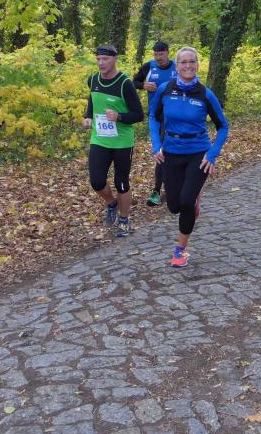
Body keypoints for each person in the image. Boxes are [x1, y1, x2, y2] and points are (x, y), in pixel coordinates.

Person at [149, 47, 229, 267]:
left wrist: (212, 154)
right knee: (173, 206)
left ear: (197, 65)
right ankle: (192, 200)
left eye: (191, 61)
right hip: (171, 151)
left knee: (185, 202)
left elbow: (223, 126)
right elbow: (153, 117)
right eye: (183, 62)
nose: (187, 66)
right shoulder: (165, 89)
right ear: (177, 66)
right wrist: (156, 145)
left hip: (198, 153)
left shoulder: (205, 94)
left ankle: (180, 251)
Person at [82, 44, 144, 237]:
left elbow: (139, 115)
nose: (101, 63)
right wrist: (88, 116)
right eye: (98, 59)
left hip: (122, 142)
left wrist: (119, 116)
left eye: (105, 59)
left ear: (115, 59)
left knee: (121, 182)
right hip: (99, 139)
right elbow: (93, 100)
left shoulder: (125, 83)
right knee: (96, 181)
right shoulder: (93, 80)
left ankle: (124, 220)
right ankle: (111, 203)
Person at [132, 40, 177, 207]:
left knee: (172, 151)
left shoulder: (178, 67)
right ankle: (158, 191)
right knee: (161, 152)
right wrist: (143, 85)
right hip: (157, 116)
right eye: (156, 54)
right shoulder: (148, 67)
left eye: (161, 54)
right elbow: (133, 82)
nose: (159, 58)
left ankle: (173, 188)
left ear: (168, 52)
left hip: (177, 116)